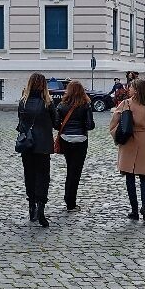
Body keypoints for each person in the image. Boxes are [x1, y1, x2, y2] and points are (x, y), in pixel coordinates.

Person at [110, 78, 145, 224]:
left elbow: (114, 123)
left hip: (129, 142)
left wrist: (118, 137)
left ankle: (134, 209)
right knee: (144, 178)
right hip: (144, 140)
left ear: (136, 90)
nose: (128, 89)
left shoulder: (126, 103)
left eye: (131, 87)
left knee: (129, 177)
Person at [18, 73, 57, 228]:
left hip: (27, 144)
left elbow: (20, 124)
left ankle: (31, 204)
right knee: (43, 177)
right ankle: (41, 206)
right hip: (43, 146)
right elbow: (56, 122)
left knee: (29, 175)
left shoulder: (23, 102)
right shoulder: (48, 103)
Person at [55, 80, 95, 212]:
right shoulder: (85, 105)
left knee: (69, 169)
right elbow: (90, 125)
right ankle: (71, 202)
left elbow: (56, 124)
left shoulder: (62, 105)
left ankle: (68, 199)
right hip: (81, 140)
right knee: (75, 172)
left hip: (66, 139)